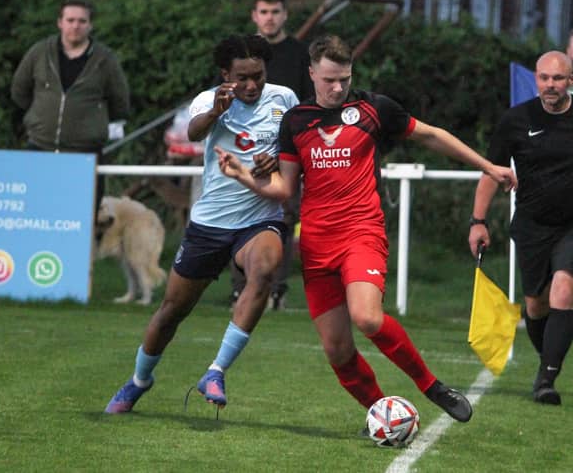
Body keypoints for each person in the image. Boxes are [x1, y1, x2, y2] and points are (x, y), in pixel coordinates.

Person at [216, 34, 518, 424]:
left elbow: (430, 134)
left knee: (368, 318)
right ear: (312, 74)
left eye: (344, 78)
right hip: (317, 244)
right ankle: (381, 414)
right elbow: (285, 189)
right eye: (329, 80)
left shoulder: (372, 108)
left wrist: (488, 167)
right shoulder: (296, 121)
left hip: (361, 233)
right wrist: (241, 174)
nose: (338, 87)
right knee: (337, 350)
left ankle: (432, 386)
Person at [105, 34, 299, 413]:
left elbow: (296, 149)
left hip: (260, 219)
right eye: (242, 77)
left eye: (257, 76)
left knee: (263, 271)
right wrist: (215, 113)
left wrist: (275, 164)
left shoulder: (284, 99)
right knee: (171, 312)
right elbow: (195, 133)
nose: (251, 85)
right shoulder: (209, 100)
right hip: (210, 224)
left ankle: (216, 371)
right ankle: (139, 381)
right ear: (225, 74)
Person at [469, 50, 573, 405]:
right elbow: (491, 170)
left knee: (564, 289)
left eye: (558, 78)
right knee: (536, 304)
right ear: (536, 79)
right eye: (544, 78)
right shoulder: (516, 120)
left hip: (570, 226)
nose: (550, 85)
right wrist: (478, 222)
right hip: (531, 225)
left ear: (569, 81)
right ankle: (550, 357)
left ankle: (546, 379)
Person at [230, 0, 314, 311]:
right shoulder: (238, 54)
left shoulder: (299, 53)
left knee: (283, 218)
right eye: (263, 12)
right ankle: (241, 289)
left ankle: (275, 290)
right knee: (239, 218)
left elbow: (309, 106)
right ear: (254, 15)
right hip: (244, 149)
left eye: (275, 12)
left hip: (286, 153)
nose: (269, 18)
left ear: (285, 15)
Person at [11, 0, 130, 211]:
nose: (76, 25)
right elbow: (19, 91)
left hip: (85, 155)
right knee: (34, 212)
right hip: (40, 148)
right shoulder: (40, 52)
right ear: (60, 22)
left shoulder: (105, 60)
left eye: (82, 21)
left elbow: (120, 102)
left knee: (81, 215)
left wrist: (93, 124)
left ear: (90, 25)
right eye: (70, 20)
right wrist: (39, 116)